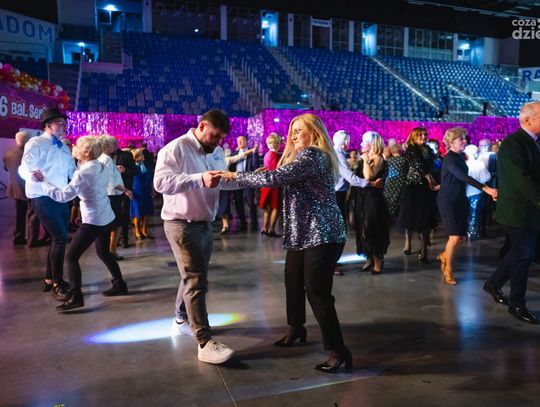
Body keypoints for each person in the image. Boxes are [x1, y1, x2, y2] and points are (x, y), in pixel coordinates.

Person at [222, 113, 351, 373]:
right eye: (292, 131)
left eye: (299, 130)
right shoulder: (300, 157)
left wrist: (235, 176)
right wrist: (264, 174)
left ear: (314, 133)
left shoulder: (313, 155)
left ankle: (339, 351)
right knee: (292, 281)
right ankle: (296, 328)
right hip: (302, 234)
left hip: (322, 234)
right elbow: (278, 175)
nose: (293, 135)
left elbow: (274, 179)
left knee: (317, 291)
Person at [153, 109, 235, 364]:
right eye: (214, 135)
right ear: (201, 126)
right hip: (181, 223)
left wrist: (248, 179)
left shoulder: (217, 152)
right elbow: (161, 183)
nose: (217, 142)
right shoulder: (176, 148)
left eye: (221, 138)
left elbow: (222, 181)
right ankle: (204, 342)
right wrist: (199, 179)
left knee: (192, 275)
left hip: (205, 223)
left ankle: (181, 318)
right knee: (196, 279)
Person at [31, 136, 129, 310]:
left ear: (86, 151)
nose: (74, 148)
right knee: (104, 253)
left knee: (71, 257)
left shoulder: (84, 173)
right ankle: (120, 284)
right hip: (106, 216)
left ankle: (76, 296)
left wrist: (43, 181)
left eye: (78, 146)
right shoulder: (101, 164)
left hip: (93, 220)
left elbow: (63, 196)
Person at [484, 101, 540, 324]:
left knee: (520, 253)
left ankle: (493, 284)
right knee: (523, 255)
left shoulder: (532, 141)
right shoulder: (513, 143)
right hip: (518, 211)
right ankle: (517, 304)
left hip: (528, 210)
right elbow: (521, 179)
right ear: (527, 120)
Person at [18, 107, 76, 299]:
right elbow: (24, 169)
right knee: (60, 237)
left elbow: (71, 171)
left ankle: (49, 279)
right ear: (47, 125)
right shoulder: (35, 143)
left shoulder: (64, 147)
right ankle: (58, 283)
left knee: (59, 238)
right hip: (42, 196)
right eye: (60, 123)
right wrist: (32, 176)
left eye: (64, 123)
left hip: (61, 196)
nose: (63, 126)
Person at [436, 128, 497, 285]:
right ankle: (448, 269)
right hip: (448, 200)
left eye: (464, 138)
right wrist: (485, 188)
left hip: (460, 198)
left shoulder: (459, 157)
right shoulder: (449, 158)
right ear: (451, 142)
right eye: (461, 139)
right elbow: (462, 176)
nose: (465, 141)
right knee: (455, 236)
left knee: (461, 238)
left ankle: (444, 256)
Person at [333, 130, 382, 275]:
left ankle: (333, 261)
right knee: (338, 231)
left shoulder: (339, 154)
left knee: (345, 229)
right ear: (346, 142)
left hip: (357, 196)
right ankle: (332, 262)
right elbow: (352, 178)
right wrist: (371, 184)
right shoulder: (339, 155)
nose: (360, 144)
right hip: (338, 195)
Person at [396, 127, 438, 262]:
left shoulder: (428, 151)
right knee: (409, 217)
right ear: (413, 137)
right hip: (412, 187)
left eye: (425, 134)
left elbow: (433, 165)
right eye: (420, 135)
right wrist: (429, 177)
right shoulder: (411, 150)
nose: (423, 137)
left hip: (425, 188)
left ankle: (423, 249)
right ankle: (407, 243)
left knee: (425, 219)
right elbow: (418, 165)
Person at [351, 131, 390, 274]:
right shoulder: (364, 158)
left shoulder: (378, 158)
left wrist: (366, 159)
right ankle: (369, 257)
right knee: (362, 229)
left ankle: (378, 260)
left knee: (371, 229)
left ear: (372, 143)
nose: (362, 144)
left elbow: (368, 176)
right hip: (361, 197)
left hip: (372, 199)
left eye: (365, 142)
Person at [98, 135, 133, 260]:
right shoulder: (107, 159)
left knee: (111, 224)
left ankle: (109, 251)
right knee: (116, 225)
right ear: (107, 146)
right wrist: (126, 190)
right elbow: (111, 182)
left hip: (106, 195)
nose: (115, 147)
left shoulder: (100, 158)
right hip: (113, 195)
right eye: (113, 145)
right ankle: (112, 251)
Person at [3, 131, 31, 245]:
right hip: (26, 188)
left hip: (14, 187)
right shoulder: (28, 154)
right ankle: (28, 237)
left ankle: (19, 235)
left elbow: (6, 169)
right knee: (32, 214)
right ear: (28, 140)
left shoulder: (8, 153)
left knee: (20, 213)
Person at [228, 135, 260, 232]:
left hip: (248, 181)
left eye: (242, 141)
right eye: (238, 141)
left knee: (251, 203)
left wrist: (255, 153)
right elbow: (231, 168)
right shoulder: (234, 153)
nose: (240, 143)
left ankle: (254, 224)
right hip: (237, 182)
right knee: (238, 204)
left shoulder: (252, 152)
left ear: (246, 141)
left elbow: (255, 166)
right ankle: (243, 223)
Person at [114, 141, 140, 248]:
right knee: (113, 217)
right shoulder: (104, 157)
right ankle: (114, 241)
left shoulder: (126, 155)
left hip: (125, 189)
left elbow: (135, 171)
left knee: (124, 216)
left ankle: (124, 239)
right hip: (110, 191)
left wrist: (125, 170)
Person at [463, 144, 491, 239]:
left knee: (468, 212)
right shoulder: (479, 163)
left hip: (465, 192)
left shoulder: (464, 163)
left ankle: (469, 232)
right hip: (477, 191)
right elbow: (486, 177)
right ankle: (474, 233)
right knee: (476, 212)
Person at [259, 133, 282, 237]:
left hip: (266, 184)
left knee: (267, 208)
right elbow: (276, 171)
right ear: (277, 143)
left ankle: (264, 228)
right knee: (275, 208)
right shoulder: (275, 155)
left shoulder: (267, 154)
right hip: (274, 185)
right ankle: (271, 230)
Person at [131, 148, 155, 240]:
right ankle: (137, 231)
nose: (143, 156)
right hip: (137, 191)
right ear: (137, 157)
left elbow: (150, 177)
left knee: (147, 212)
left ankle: (145, 231)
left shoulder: (146, 165)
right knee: (138, 212)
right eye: (141, 154)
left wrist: (152, 189)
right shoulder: (133, 167)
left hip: (147, 190)